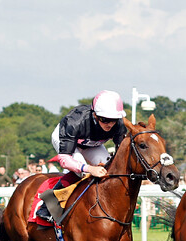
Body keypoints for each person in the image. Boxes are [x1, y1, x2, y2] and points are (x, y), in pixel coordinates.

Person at [35, 90, 127, 221]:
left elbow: (121, 153)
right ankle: (48, 206)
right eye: (105, 119)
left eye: (113, 120)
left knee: (107, 168)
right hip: (66, 140)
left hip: (91, 144)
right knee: (81, 171)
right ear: (95, 115)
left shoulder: (119, 125)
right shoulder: (74, 122)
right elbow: (64, 160)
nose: (110, 124)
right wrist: (89, 169)